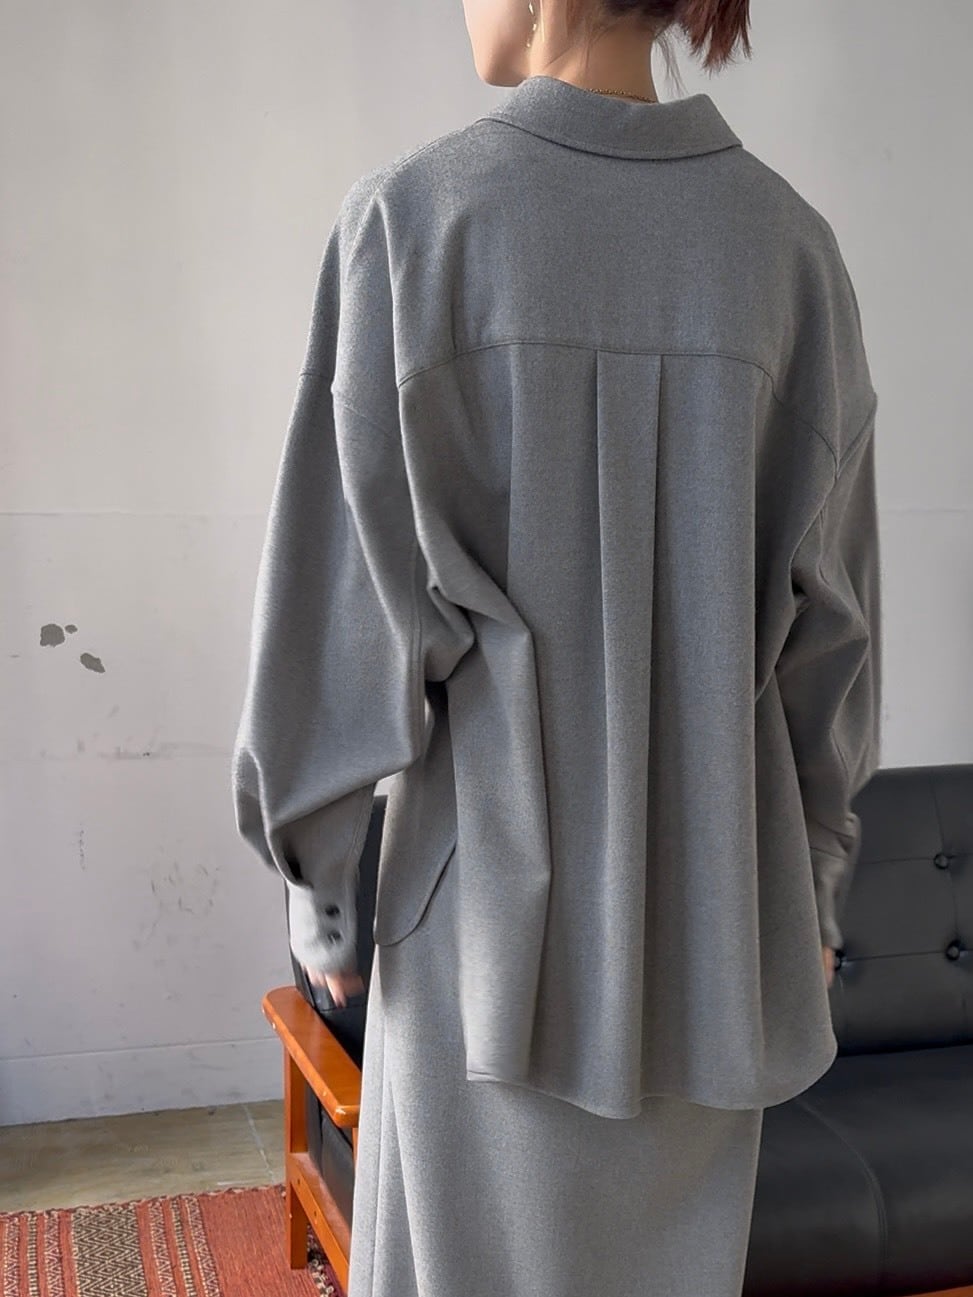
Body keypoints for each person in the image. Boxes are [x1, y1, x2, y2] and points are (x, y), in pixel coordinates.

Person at [230, 0, 882, 1293]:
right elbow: (832, 635)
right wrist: (810, 887)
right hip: (712, 936)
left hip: (484, 939)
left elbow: (337, 609)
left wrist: (322, 892)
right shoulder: (792, 254)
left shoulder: (411, 226)